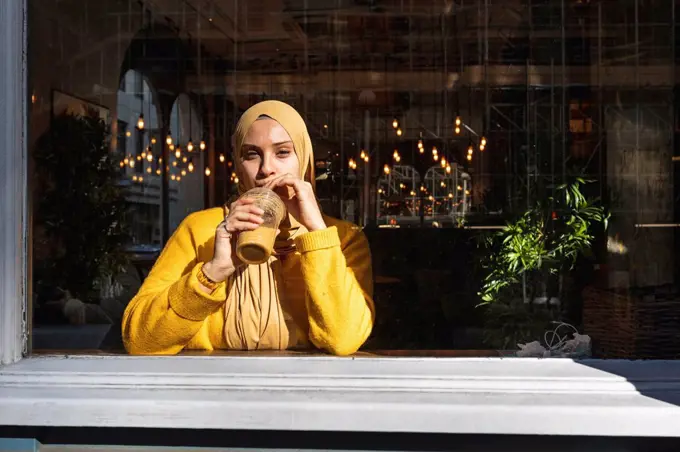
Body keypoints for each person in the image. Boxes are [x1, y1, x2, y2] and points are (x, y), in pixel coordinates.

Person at [122, 100, 374, 355]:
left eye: (283, 152)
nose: (266, 169)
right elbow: (140, 341)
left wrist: (317, 234)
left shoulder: (343, 238)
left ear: (304, 160)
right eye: (252, 154)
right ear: (238, 167)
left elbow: (344, 340)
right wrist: (212, 272)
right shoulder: (201, 230)